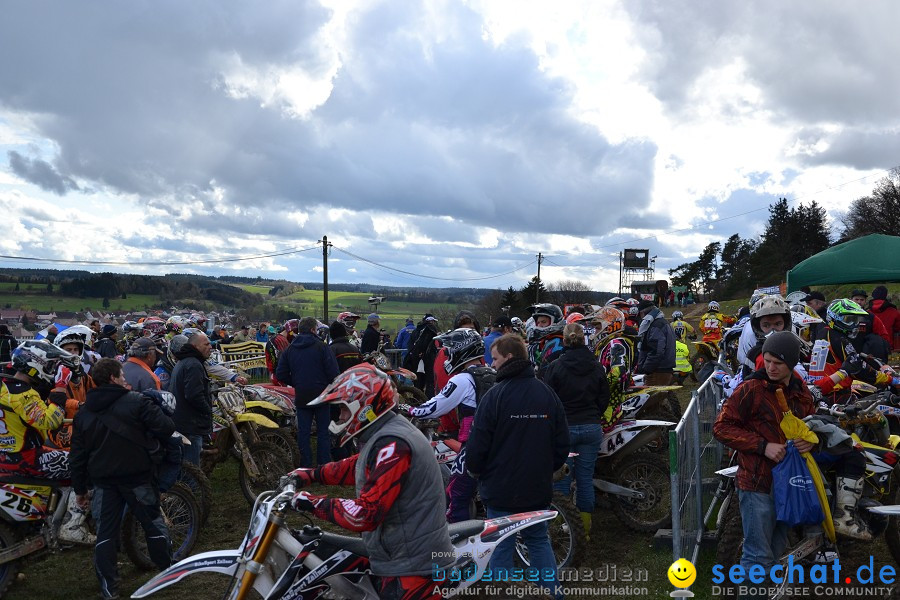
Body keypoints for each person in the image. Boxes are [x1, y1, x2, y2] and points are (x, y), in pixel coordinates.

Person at [285, 363, 454, 600]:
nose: (341, 417)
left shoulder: (394, 443)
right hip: (401, 555)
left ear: (364, 407)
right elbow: (359, 464)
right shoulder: (387, 433)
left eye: (344, 410)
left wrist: (309, 503)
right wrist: (313, 474)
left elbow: (365, 513)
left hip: (413, 568)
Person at [465, 334, 568, 599]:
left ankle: (503, 595)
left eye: (496, 358)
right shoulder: (547, 393)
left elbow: (477, 444)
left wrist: (475, 471)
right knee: (538, 540)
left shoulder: (494, 396)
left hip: (500, 488)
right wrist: (547, 468)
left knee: (500, 546)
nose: (492, 364)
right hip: (536, 487)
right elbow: (562, 442)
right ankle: (552, 594)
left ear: (509, 358)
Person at [713, 332, 816, 587]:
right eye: (767, 360)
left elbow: (811, 424)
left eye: (777, 363)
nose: (770, 367)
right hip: (756, 482)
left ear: (791, 364)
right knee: (756, 558)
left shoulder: (800, 391)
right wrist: (762, 445)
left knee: (774, 552)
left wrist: (812, 441)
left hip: (787, 486)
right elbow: (721, 427)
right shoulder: (751, 388)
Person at [69, 358, 174, 600]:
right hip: (137, 477)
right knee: (153, 524)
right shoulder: (137, 402)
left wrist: (80, 489)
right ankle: (168, 572)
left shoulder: (84, 412)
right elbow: (166, 427)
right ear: (114, 378)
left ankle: (109, 588)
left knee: (105, 535)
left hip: (104, 482)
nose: (125, 379)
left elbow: (78, 456)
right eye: (122, 375)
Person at [0, 340, 94, 544]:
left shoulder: (6, 387)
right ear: (36, 364)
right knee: (84, 464)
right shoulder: (21, 393)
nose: (52, 371)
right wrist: (60, 388)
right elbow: (50, 421)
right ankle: (72, 526)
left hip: (7, 453)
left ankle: (56, 516)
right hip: (27, 457)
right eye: (50, 366)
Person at [405, 328, 491, 523]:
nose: (446, 355)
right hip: (495, 442)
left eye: (449, 350)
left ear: (462, 349)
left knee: (456, 496)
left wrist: (409, 409)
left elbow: (435, 407)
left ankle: (458, 544)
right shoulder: (492, 372)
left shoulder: (463, 379)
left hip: (474, 446)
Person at [543, 323, 608, 540]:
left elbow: (548, 398)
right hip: (591, 427)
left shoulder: (555, 366)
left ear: (564, 340)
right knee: (585, 478)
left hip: (564, 429)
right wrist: (593, 415)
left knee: (561, 479)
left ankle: (563, 526)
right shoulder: (596, 366)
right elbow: (604, 397)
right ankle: (585, 530)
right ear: (584, 340)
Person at [276, 317, 340, 468]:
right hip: (322, 394)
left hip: (302, 395)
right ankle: (323, 464)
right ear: (313, 330)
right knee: (323, 431)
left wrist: (296, 382)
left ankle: (305, 464)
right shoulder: (322, 347)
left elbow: (281, 374)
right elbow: (333, 372)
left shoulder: (290, 349)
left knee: (303, 432)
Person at [169, 330, 213, 466]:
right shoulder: (193, 364)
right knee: (192, 469)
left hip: (183, 421)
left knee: (186, 465)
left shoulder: (185, 361)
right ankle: (188, 488)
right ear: (196, 347)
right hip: (190, 424)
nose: (210, 347)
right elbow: (194, 395)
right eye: (206, 344)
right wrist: (208, 411)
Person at [635, 299, 676, 386]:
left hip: (657, 371)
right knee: (661, 397)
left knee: (650, 398)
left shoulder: (656, 326)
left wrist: (646, 369)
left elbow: (656, 351)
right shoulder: (663, 323)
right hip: (663, 368)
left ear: (643, 313)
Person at [404, 315, 440, 396]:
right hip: (428, 359)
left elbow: (410, 345)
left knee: (418, 381)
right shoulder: (430, 330)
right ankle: (428, 400)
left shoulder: (417, 330)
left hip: (416, 359)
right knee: (430, 381)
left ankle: (417, 399)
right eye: (433, 321)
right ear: (430, 321)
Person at [869, 286, 900, 352]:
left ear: (873, 296)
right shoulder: (894, 312)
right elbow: (898, 328)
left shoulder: (867, 312)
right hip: (888, 347)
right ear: (885, 295)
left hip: (870, 347)